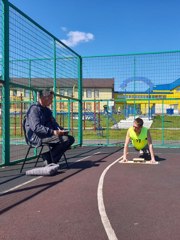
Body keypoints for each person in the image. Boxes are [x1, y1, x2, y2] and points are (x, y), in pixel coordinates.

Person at [25, 89, 75, 165]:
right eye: (51, 99)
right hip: (37, 137)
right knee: (65, 140)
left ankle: (49, 157)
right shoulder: (34, 109)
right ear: (44, 98)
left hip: (47, 135)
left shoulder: (47, 110)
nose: (52, 101)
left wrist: (60, 129)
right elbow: (36, 127)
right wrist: (53, 132)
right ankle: (49, 158)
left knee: (70, 139)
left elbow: (53, 123)